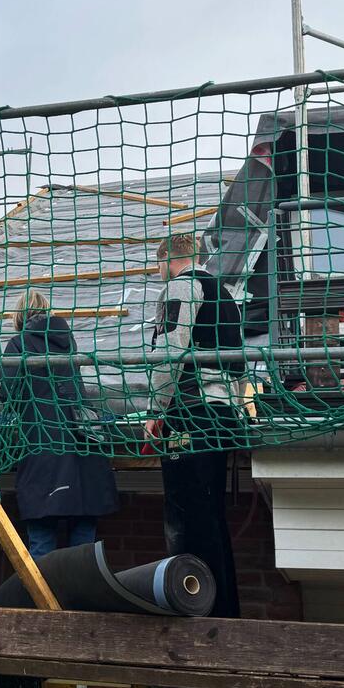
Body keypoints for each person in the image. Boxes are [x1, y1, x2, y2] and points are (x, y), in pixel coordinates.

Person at [144, 233, 247, 618]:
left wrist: (155, 409)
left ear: (167, 260)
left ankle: (195, 609)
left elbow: (170, 350)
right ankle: (224, 610)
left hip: (190, 413)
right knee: (211, 516)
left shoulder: (180, 288)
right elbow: (238, 363)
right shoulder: (225, 295)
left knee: (186, 520)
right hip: (221, 414)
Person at [0, 290, 118, 556]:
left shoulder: (18, 344)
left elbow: (8, 394)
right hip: (84, 452)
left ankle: (44, 588)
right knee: (83, 552)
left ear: (19, 317)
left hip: (44, 451)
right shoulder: (68, 340)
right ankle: (79, 587)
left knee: (42, 546)